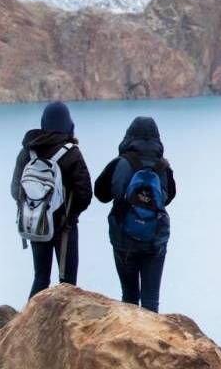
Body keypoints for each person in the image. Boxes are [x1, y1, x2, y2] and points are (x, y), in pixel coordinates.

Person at [94, 115, 178, 312]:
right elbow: (169, 197)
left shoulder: (121, 163)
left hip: (124, 240)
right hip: (155, 241)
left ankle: (130, 339)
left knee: (129, 296)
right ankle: (150, 340)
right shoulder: (163, 167)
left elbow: (100, 193)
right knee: (151, 301)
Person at [10, 101, 92, 298]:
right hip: (66, 227)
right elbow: (85, 193)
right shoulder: (71, 153)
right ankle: (64, 328)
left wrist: (35, 207)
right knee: (68, 283)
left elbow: (15, 190)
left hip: (36, 223)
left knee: (40, 277)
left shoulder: (27, 152)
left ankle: (30, 324)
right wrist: (69, 215)